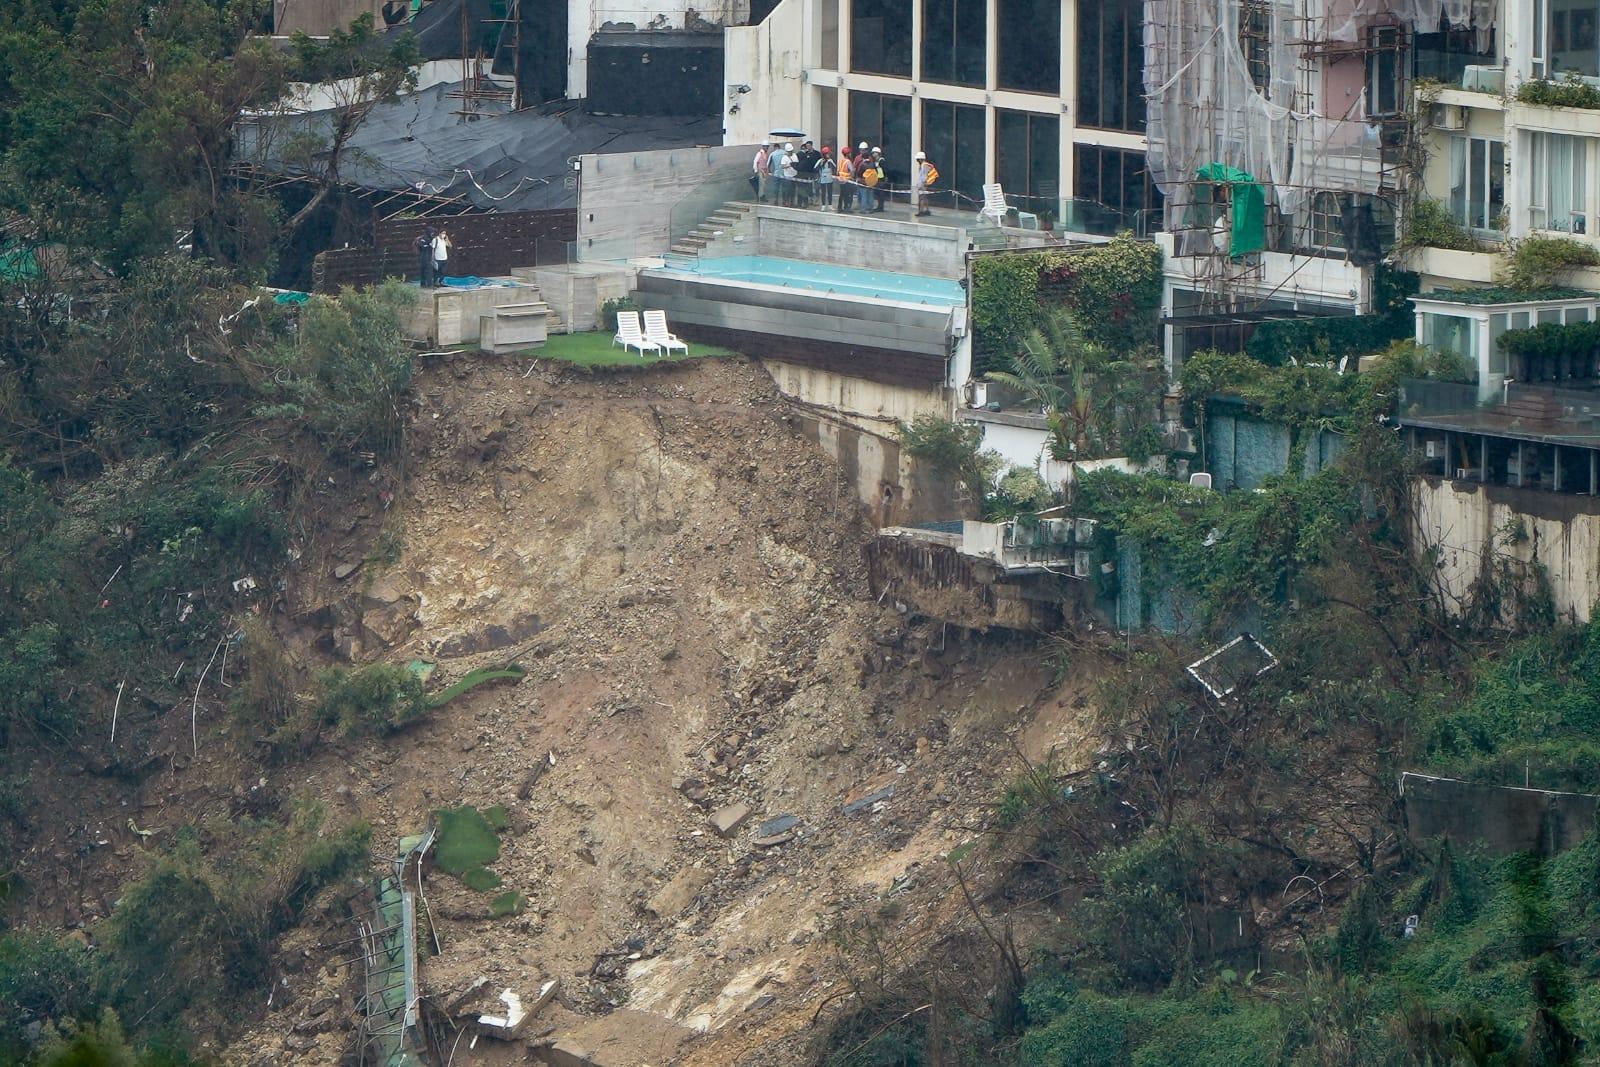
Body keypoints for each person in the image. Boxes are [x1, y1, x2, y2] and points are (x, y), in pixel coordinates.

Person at [912, 151, 939, 217]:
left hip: (923, 185)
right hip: (923, 184)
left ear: (921, 159)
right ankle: (927, 210)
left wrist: (921, 185)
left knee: (921, 198)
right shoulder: (923, 165)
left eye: (918, 159)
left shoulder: (924, 166)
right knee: (925, 197)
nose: (917, 160)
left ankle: (921, 211)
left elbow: (924, 176)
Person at [796, 140, 820, 206]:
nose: (808, 147)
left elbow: (820, 161)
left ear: (811, 145)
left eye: (809, 146)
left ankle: (817, 200)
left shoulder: (817, 153)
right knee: (809, 186)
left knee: (817, 186)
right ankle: (811, 199)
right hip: (808, 172)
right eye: (807, 146)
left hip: (815, 172)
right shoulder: (805, 154)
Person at [836, 147, 855, 213]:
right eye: (849, 153)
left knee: (841, 194)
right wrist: (852, 177)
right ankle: (846, 208)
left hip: (841, 180)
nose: (850, 154)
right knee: (847, 195)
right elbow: (852, 171)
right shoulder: (848, 161)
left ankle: (839, 208)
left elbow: (838, 171)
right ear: (847, 154)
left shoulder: (840, 161)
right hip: (847, 180)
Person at [869, 147, 888, 212]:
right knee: (878, 194)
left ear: (878, 153)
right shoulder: (875, 161)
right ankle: (879, 207)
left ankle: (881, 207)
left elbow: (885, 170)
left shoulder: (881, 161)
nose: (873, 154)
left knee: (881, 194)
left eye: (874, 153)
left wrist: (885, 178)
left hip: (881, 179)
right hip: (877, 179)